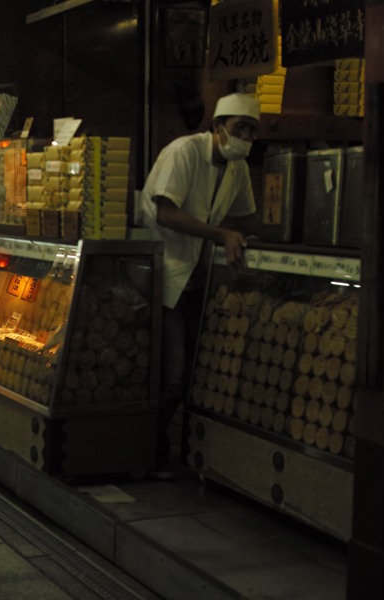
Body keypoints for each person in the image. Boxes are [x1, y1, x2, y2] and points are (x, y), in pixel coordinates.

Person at [140, 93, 261, 478]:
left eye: (252, 130)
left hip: (199, 280)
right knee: (172, 371)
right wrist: (221, 234)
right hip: (163, 273)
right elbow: (165, 212)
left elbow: (247, 220)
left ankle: (186, 451)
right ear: (217, 127)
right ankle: (151, 451)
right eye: (239, 127)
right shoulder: (184, 152)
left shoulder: (237, 167)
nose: (245, 136)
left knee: (196, 370)